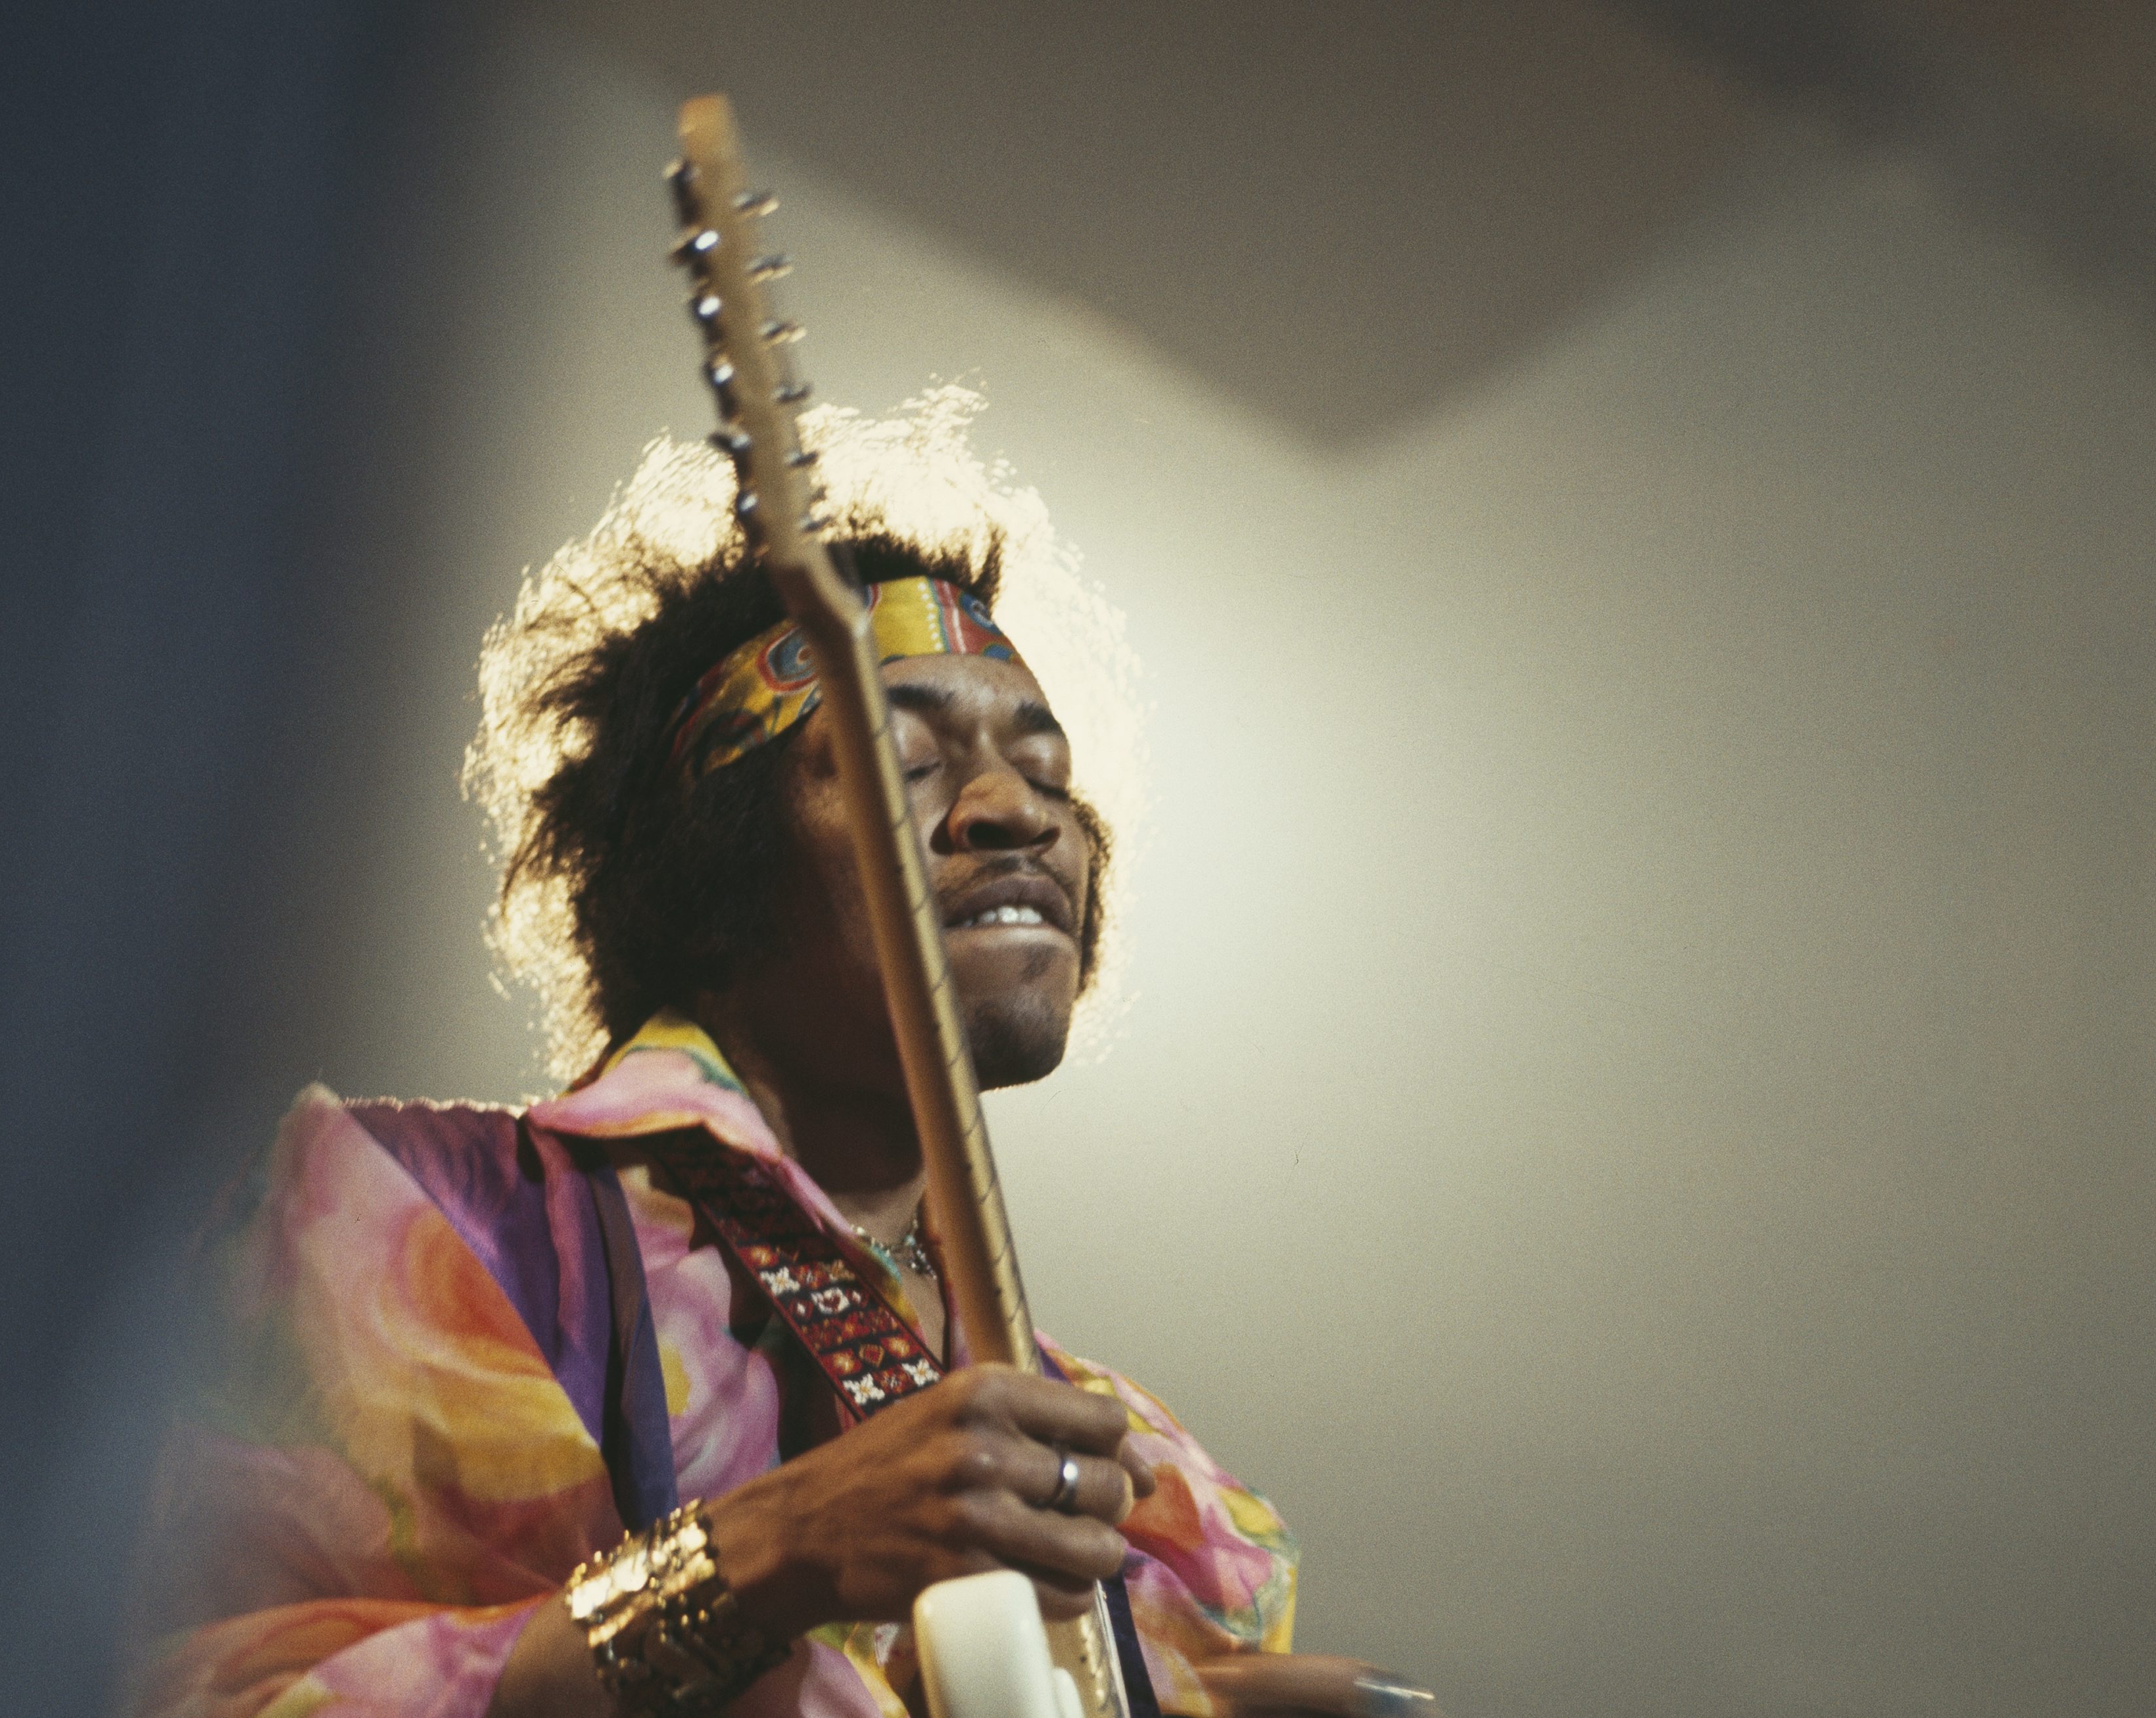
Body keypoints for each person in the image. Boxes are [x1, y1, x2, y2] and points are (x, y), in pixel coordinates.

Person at [128, 395, 1428, 1718]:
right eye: (906, 758)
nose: (1014, 809)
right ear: (716, 870)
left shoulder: (1123, 1458)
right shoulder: (431, 1222)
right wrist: (764, 1554)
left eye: (1046, 769)